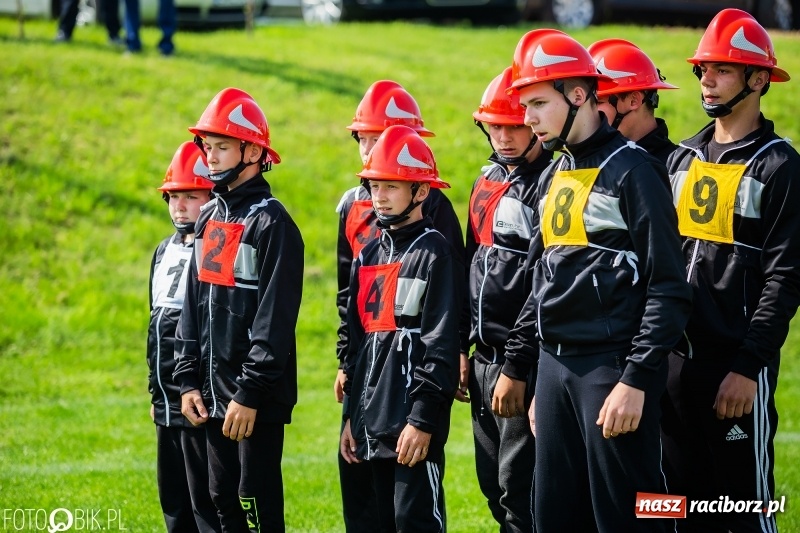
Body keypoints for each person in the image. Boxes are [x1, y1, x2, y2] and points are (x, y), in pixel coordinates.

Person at [499, 28, 693, 532]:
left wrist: (636, 380)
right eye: (526, 105)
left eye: (539, 102)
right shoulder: (552, 175)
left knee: (628, 520)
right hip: (554, 370)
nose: (528, 118)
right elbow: (540, 282)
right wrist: (532, 372)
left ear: (579, 95)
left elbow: (669, 287)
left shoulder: (635, 171)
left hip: (612, 373)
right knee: (555, 520)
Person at [660, 8, 800, 532]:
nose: (707, 80)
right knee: (672, 512)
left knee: (742, 515)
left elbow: (785, 278)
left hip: (734, 371)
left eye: (721, 68)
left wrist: (747, 367)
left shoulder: (781, 166)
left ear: (758, 79)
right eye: (702, 69)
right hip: (671, 366)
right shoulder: (681, 158)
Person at [333, 79, 464, 532]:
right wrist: (351, 414)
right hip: (368, 420)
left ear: (421, 191)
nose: (379, 195)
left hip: (411, 422)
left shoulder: (436, 252)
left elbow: (441, 344)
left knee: (414, 521)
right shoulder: (369, 253)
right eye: (373, 186)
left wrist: (423, 420)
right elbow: (360, 338)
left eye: (392, 185)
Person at [173, 87, 304, 533]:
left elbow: (275, 322)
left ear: (253, 151)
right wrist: (188, 379)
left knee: (256, 506)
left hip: (253, 402)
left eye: (222, 146)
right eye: (207, 147)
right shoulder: (208, 217)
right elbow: (192, 306)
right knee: (220, 501)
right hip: (209, 396)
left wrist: (249, 393)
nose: (209, 157)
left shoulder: (274, 224)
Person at [458, 66, 551, 533]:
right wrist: (460, 347)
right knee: (492, 488)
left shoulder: (551, 184)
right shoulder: (486, 180)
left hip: (523, 364)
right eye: (494, 126)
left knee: (522, 491)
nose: (504, 136)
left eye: (514, 125)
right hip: (481, 359)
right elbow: (468, 263)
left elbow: (543, 283)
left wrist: (517, 364)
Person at [148, 141, 221, 533]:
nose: (180, 206)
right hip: (165, 398)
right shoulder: (162, 251)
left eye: (191, 196)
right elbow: (156, 324)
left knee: (203, 499)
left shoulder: (212, 247)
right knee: (172, 497)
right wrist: (155, 391)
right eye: (174, 196)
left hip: (195, 395)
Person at [587, 38, 679, 165]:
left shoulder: (677, 169)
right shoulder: (591, 161)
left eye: (598, 103)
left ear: (634, 100)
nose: (586, 113)